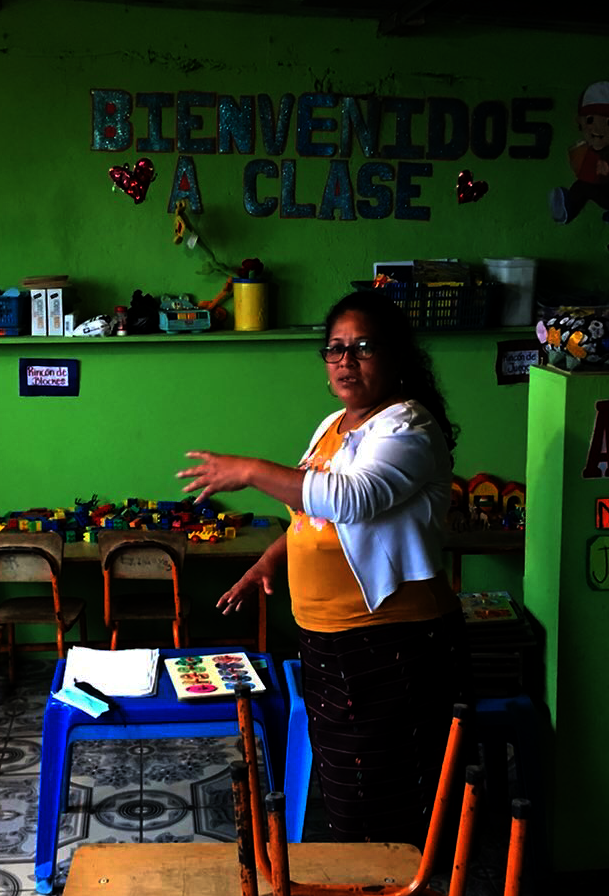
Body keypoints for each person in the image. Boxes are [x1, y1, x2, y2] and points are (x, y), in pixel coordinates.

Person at [177, 288, 471, 847]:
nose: (345, 360)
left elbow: (350, 498)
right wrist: (267, 562)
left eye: (362, 347)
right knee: (350, 794)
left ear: (396, 357)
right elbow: (310, 510)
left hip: (393, 645)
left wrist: (250, 470)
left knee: (391, 801)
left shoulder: (409, 428)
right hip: (329, 642)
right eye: (335, 349)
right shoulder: (334, 424)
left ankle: (402, 882)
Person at [550, 80, 609, 226]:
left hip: (598, 182)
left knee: (598, 194)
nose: (598, 128)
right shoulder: (586, 146)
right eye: (590, 120)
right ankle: (567, 209)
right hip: (586, 179)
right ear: (580, 121)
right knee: (580, 189)